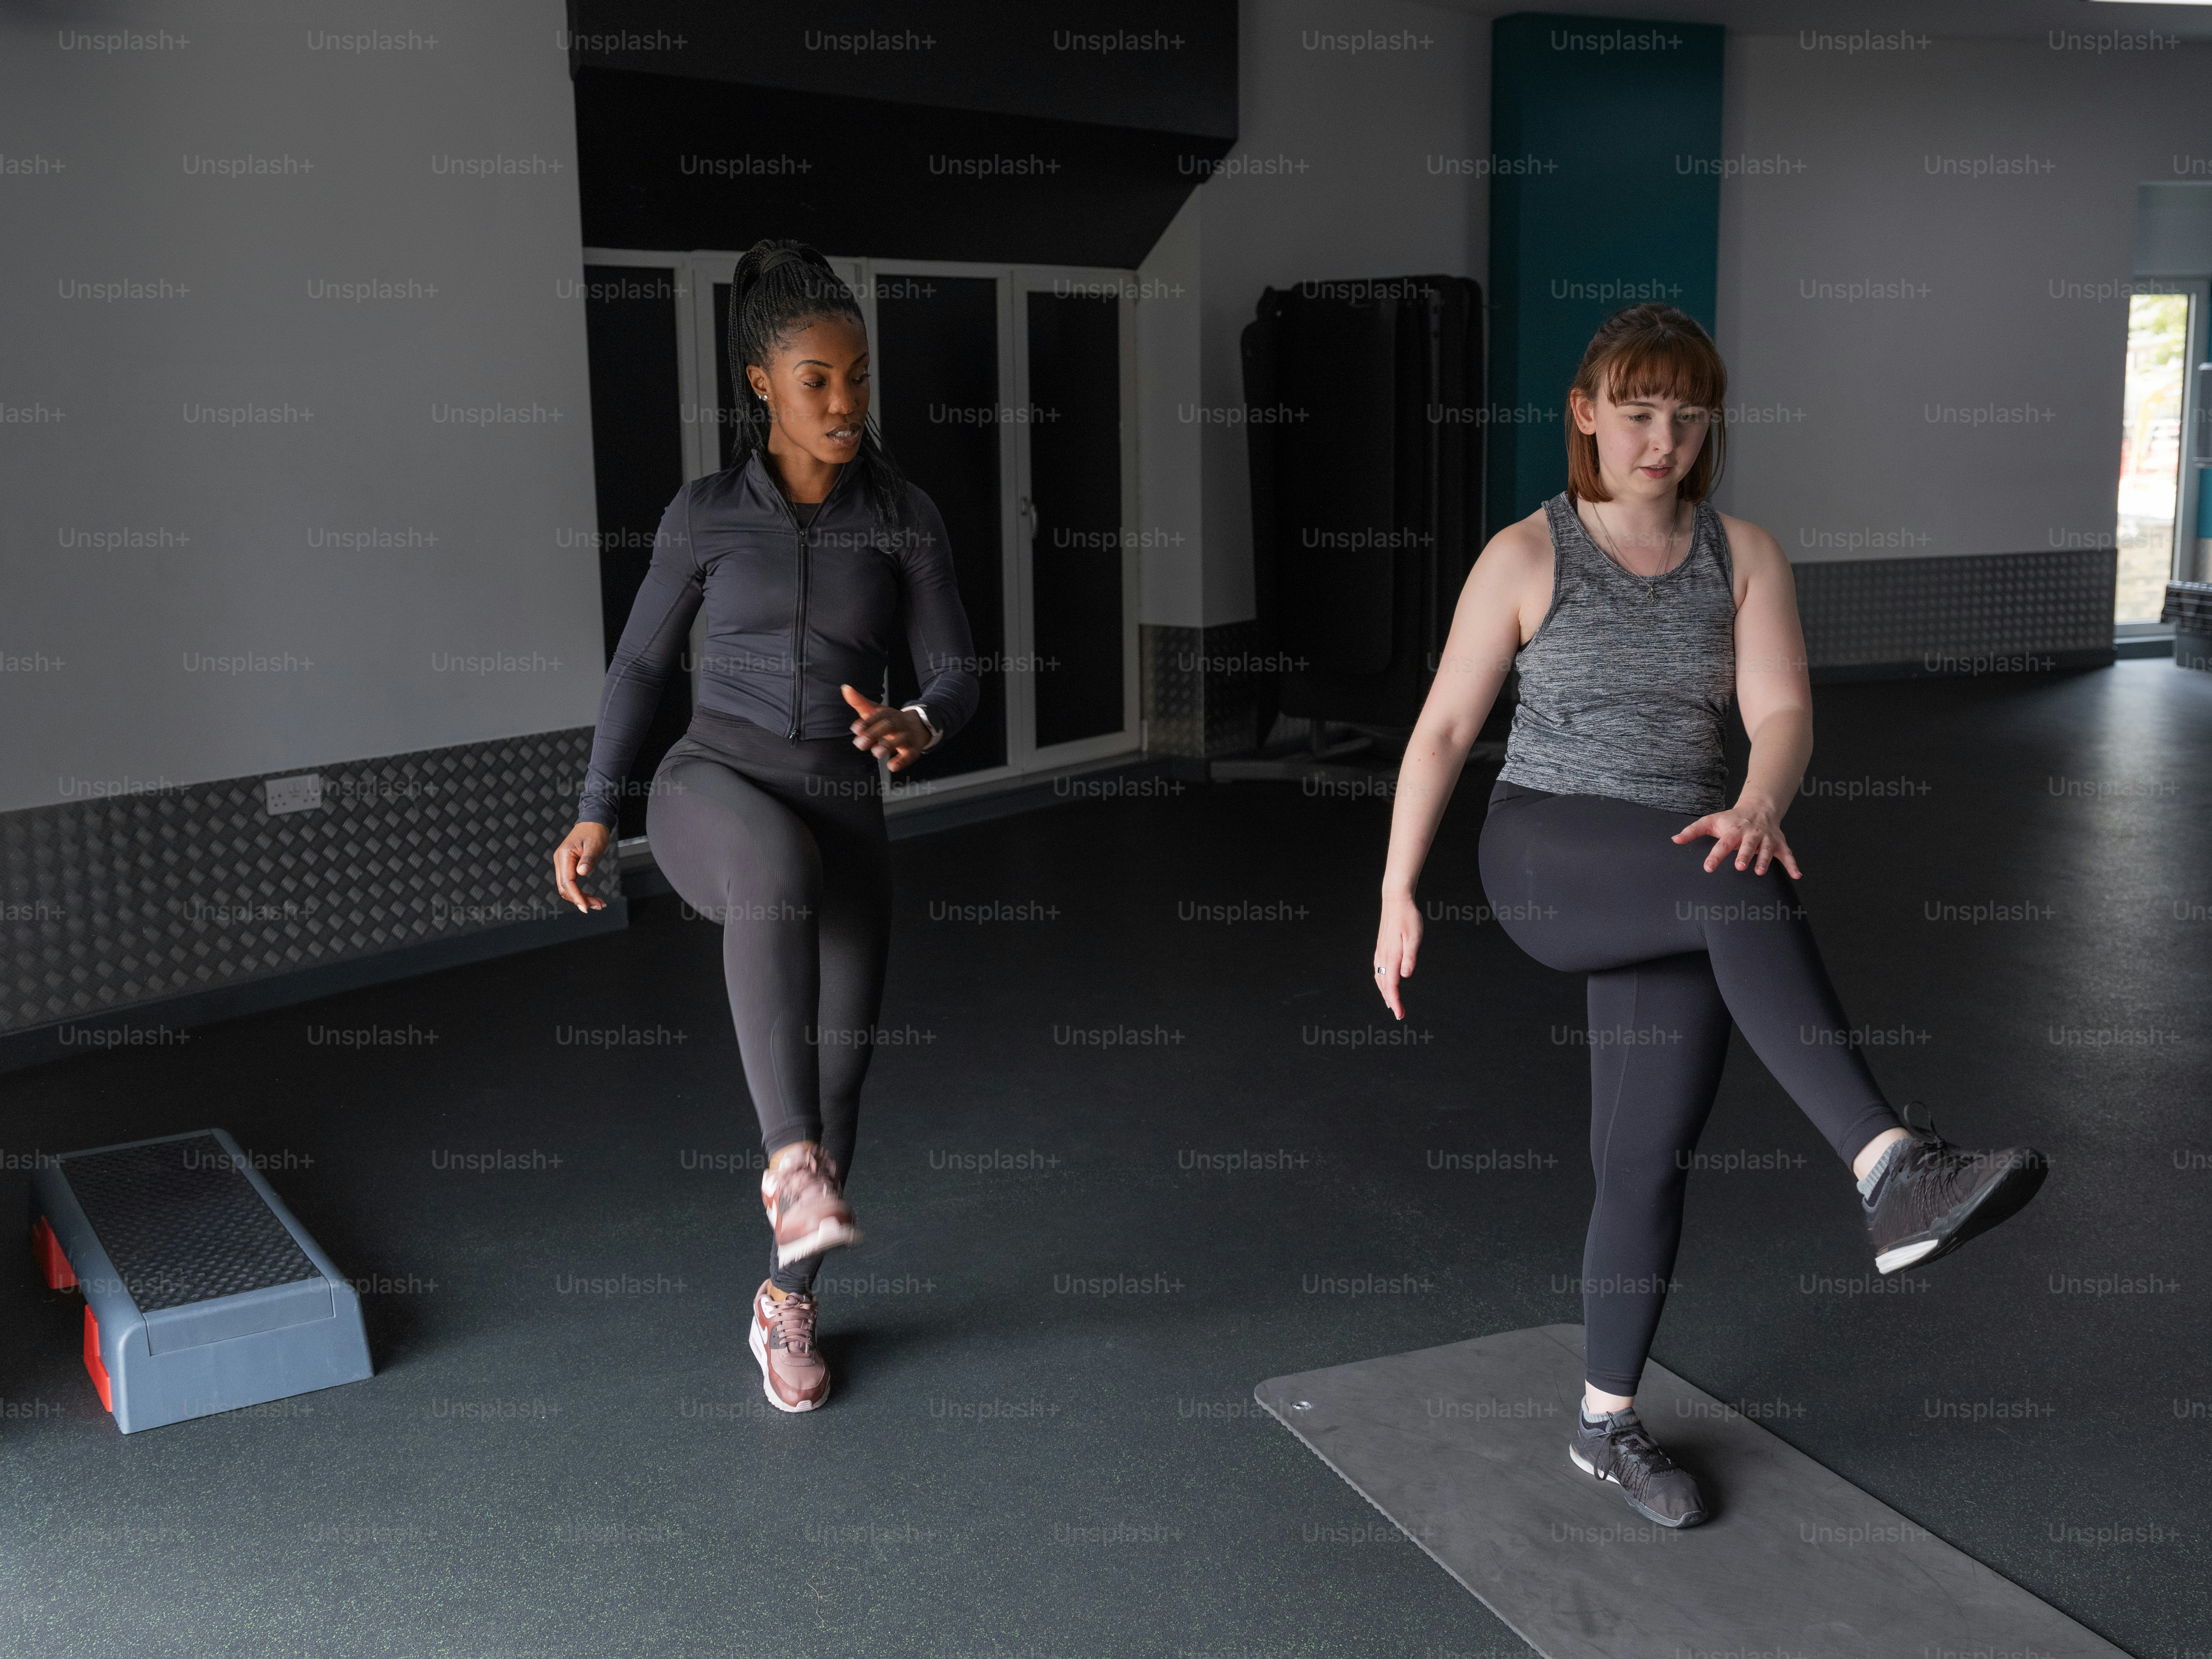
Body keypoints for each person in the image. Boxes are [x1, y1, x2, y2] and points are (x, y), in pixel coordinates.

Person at [1370, 304, 2046, 1529]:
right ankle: (1890, 1167)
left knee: (1642, 1160)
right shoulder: (1526, 556)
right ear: (1585, 414)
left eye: (1685, 417)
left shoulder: (1743, 554)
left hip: (1692, 863)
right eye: (1636, 414)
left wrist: (1756, 800)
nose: (1662, 439)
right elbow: (1444, 731)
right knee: (1730, 880)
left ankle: (1601, 1422)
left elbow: (1781, 716)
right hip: (1548, 850)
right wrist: (1394, 890)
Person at [552, 240, 980, 1414]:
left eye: (856, 379)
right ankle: (785, 1164)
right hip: (710, 790)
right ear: (761, 384)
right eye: (816, 382)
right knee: (775, 871)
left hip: (843, 807)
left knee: (839, 1079)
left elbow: (956, 675)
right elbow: (641, 668)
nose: (844, 405)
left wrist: (919, 723)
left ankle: (785, 1302)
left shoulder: (904, 517)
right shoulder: (703, 518)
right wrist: (597, 808)